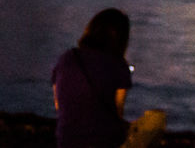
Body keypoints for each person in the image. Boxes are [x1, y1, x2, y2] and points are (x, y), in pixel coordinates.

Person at [51, 8, 166, 148]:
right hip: (105, 143)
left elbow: (58, 105)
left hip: (66, 142)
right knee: (157, 119)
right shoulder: (118, 64)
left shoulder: (67, 58)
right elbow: (117, 111)